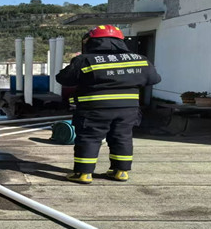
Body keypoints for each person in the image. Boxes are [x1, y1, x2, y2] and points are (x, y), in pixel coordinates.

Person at [56, 25, 161, 184]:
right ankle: (121, 172)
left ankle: (84, 174)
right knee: (122, 137)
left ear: (92, 41)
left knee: (90, 138)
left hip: (94, 110)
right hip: (128, 110)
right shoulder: (140, 59)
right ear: (121, 41)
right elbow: (154, 79)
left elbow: (64, 79)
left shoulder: (85, 60)